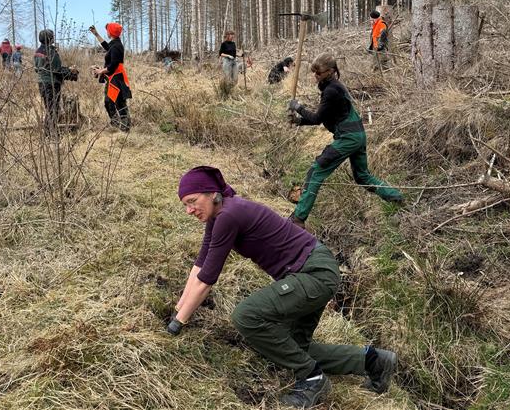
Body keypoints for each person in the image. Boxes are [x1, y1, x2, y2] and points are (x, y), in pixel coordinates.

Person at [168, 166, 398, 408]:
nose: (189, 210)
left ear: (212, 193)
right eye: (185, 204)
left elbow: (208, 278)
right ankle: (374, 361)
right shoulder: (219, 217)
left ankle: (312, 378)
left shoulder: (228, 216)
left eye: (192, 201)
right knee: (292, 347)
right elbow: (200, 266)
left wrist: (177, 324)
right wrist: (179, 309)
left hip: (314, 273)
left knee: (246, 316)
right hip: (314, 270)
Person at [286, 53, 403, 228]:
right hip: (358, 136)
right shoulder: (333, 88)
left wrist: (298, 107)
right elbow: (324, 117)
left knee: (316, 170)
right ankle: (396, 198)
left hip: (348, 138)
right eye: (314, 73)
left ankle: (298, 219)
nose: (315, 76)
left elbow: (317, 118)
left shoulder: (332, 90)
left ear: (331, 72)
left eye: (319, 73)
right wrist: (299, 121)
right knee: (362, 176)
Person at [34, 29, 78, 137]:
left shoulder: (37, 52)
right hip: (51, 84)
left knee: (50, 108)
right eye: (52, 36)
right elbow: (57, 71)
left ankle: (49, 133)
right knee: (53, 110)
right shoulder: (51, 52)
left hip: (41, 83)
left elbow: (38, 69)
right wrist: (71, 72)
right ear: (50, 39)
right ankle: (51, 135)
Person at [89, 22, 132, 132]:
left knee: (119, 103)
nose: (107, 32)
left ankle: (125, 129)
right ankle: (116, 125)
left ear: (111, 32)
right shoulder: (114, 44)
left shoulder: (117, 46)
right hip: (112, 79)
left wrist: (100, 71)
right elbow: (106, 47)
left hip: (117, 79)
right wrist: (96, 34)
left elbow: (113, 66)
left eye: (108, 30)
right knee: (108, 103)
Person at [218, 30, 240, 96]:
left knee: (235, 78)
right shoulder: (224, 44)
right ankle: (227, 92)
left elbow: (234, 53)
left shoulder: (233, 44)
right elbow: (221, 54)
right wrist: (228, 56)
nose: (232, 36)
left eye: (233, 35)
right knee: (228, 78)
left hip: (234, 61)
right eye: (231, 35)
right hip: (227, 61)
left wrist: (241, 55)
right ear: (228, 35)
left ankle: (233, 91)